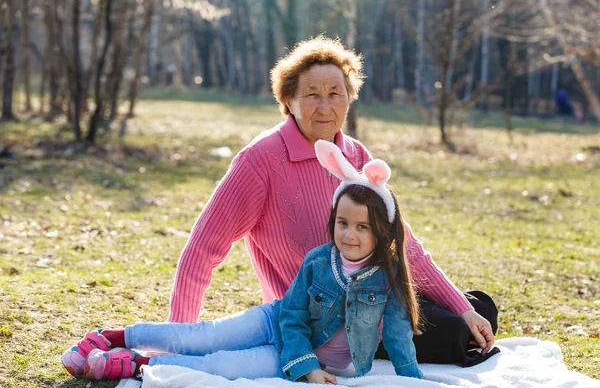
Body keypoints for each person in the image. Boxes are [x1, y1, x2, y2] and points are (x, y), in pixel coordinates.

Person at [168, 36, 498, 365]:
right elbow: (201, 251)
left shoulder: (354, 154)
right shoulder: (260, 161)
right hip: (327, 325)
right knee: (456, 333)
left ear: (349, 98)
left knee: (480, 308)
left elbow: (404, 246)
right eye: (312, 95)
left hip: (379, 297)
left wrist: (463, 308)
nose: (325, 108)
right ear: (288, 100)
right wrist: (177, 340)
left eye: (335, 94)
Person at [61, 141, 423, 383]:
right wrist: (308, 365)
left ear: (383, 231)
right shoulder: (318, 261)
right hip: (274, 323)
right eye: (342, 223)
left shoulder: (388, 280)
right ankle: (113, 336)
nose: (349, 235)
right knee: (205, 337)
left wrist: (412, 379)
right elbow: (293, 315)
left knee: (221, 367)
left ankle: (142, 365)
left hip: (294, 357)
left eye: (362, 227)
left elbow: (397, 335)